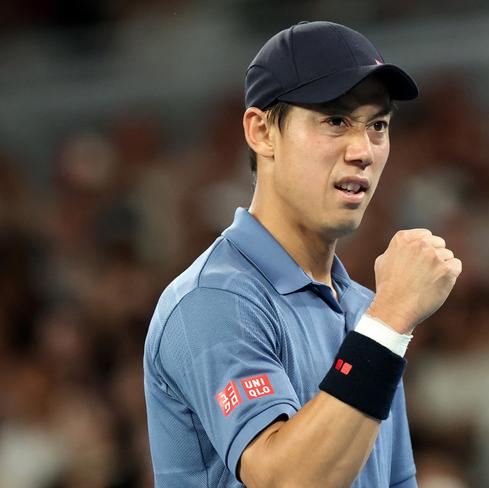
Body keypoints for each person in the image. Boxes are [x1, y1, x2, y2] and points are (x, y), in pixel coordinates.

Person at [144, 20, 462, 487]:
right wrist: (390, 320)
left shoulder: (363, 310)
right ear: (261, 131)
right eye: (335, 120)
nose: (363, 150)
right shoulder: (212, 300)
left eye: (378, 125)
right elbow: (284, 479)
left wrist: (382, 323)